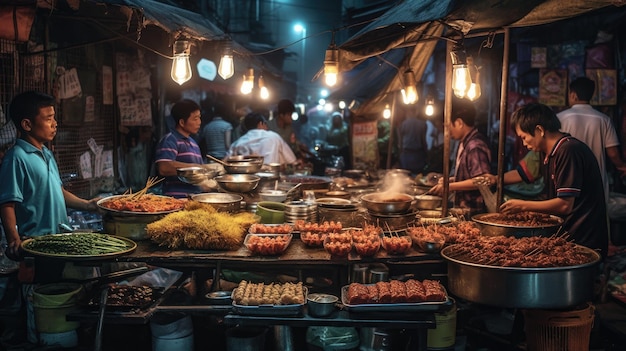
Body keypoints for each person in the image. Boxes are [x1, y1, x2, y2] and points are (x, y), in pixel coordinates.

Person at [0, 91, 102, 344]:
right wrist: (14, 239)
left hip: (59, 243)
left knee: (61, 302)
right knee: (39, 306)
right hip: (36, 247)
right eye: (48, 118)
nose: (55, 123)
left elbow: (58, 191)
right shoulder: (16, 158)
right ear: (27, 124)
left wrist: (89, 205)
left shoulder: (46, 153)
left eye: (54, 117)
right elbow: (7, 202)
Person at [493, 103, 608, 258]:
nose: (524, 143)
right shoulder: (549, 153)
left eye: (524, 137)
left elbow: (564, 205)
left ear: (539, 130)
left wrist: (522, 205)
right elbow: (524, 174)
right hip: (568, 236)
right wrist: (495, 179)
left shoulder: (568, 151)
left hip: (584, 240)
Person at [557, 76, 626, 204]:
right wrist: (621, 166)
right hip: (596, 182)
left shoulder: (560, 118)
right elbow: (613, 153)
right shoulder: (604, 120)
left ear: (573, 95)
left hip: (568, 182)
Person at [429, 98, 492, 214]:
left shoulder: (474, 145)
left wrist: (449, 186)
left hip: (473, 212)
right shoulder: (465, 143)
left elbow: (483, 180)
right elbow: (470, 176)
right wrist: (452, 180)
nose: (447, 131)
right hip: (464, 209)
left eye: (447, 126)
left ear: (459, 123)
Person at [154, 99, 215, 198]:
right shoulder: (170, 140)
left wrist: (206, 182)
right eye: (195, 119)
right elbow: (164, 167)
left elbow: (197, 176)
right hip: (177, 199)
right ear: (182, 122)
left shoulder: (194, 143)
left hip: (195, 198)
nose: (199, 122)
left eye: (199, 118)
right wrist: (197, 167)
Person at [226, 112, 297, 165]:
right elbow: (291, 160)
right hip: (270, 178)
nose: (267, 127)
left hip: (247, 180)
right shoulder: (274, 136)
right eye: (265, 124)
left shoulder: (237, 143)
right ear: (260, 124)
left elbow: (226, 161)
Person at [396, 104, 428, 175]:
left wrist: (399, 154)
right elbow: (423, 141)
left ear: (408, 112)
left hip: (406, 154)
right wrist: (426, 154)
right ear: (416, 112)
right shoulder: (422, 124)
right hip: (418, 154)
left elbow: (400, 142)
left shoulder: (402, 124)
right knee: (418, 176)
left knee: (406, 176)